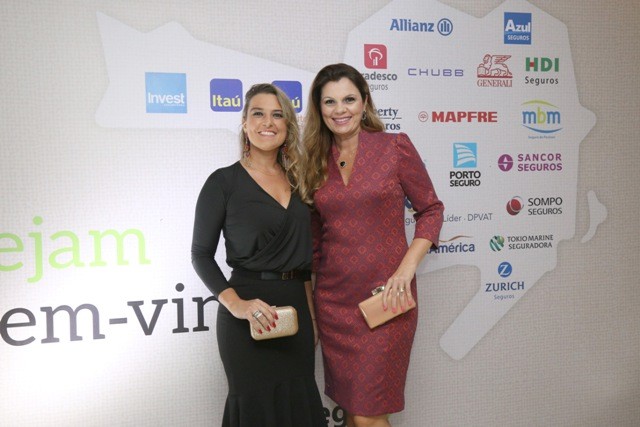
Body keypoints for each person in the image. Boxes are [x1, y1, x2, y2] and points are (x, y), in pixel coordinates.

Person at [300, 63, 444, 427]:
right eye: (330, 102)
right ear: (319, 108)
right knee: (354, 413)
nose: (340, 109)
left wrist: (405, 270)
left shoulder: (394, 147)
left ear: (364, 102)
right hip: (335, 304)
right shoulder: (314, 163)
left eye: (349, 99)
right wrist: (311, 309)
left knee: (367, 416)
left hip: (386, 299)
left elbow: (431, 210)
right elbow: (315, 243)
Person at [191, 83, 325, 427]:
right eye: (258, 113)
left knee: (299, 408)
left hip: (295, 315)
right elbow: (201, 255)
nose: (268, 122)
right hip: (248, 318)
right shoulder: (223, 182)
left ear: (287, 125)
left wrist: (311, 320)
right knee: (255, 411)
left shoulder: (301, 182)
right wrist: (237, 305)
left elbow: (304, 266)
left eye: (277, 114)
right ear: (245, 123)